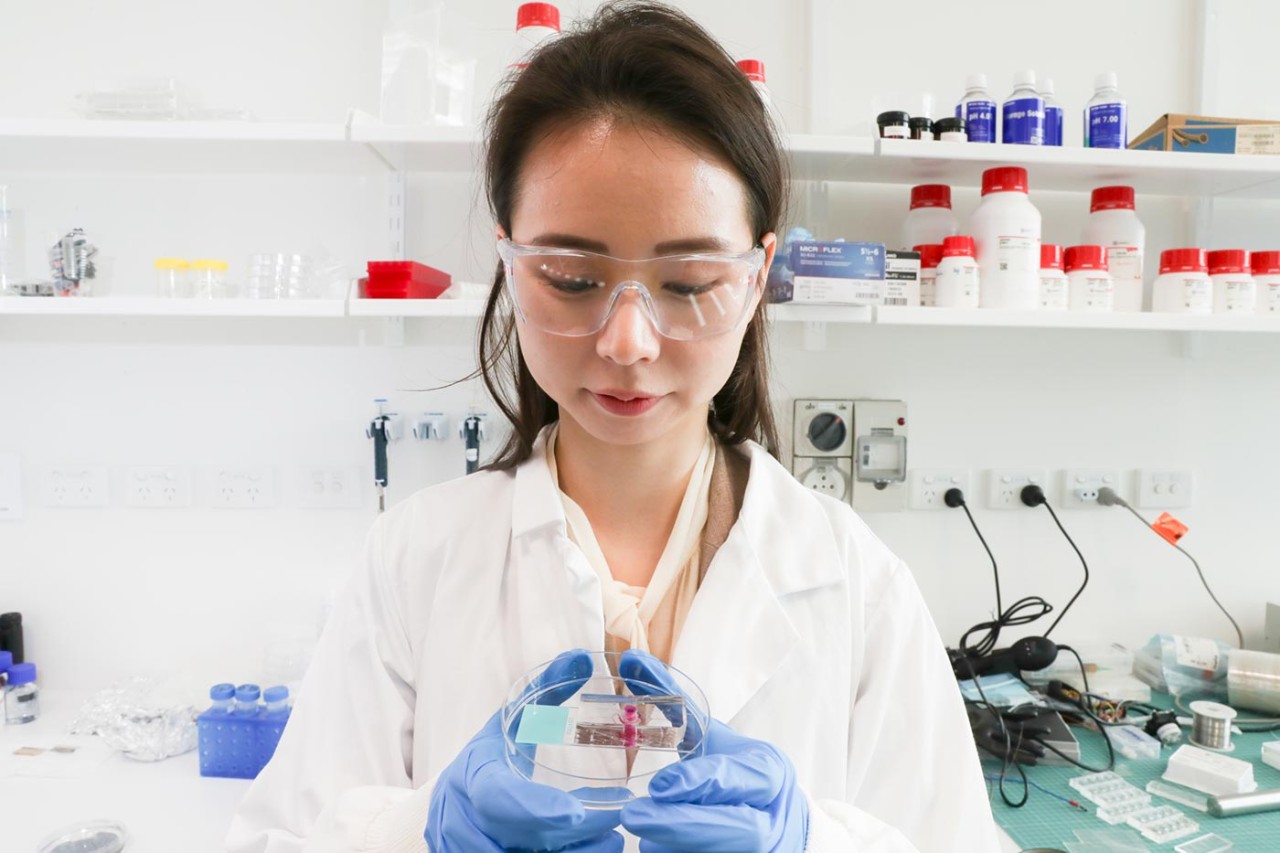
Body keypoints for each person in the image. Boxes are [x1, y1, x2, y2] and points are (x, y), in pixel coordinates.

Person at [227, 3, 1000, 850]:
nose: (627, 341)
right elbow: (277, 838)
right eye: (570, 277)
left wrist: (811, 838)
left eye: (689, 280)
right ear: (511, 267)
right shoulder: (414, 560)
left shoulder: (854, 582)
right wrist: (419, 832)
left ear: (755, 279)